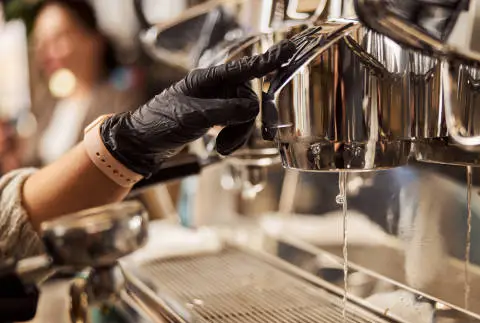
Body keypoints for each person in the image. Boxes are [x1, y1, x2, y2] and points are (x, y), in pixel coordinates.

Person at [0, 39, 296, 261]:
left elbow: (8, 223)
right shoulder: (50, 105)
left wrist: (128, 142)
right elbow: (10, 231)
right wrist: (129, 142)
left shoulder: (111, 93)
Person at [21, 0, 143, 167]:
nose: (46, 53)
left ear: (93, 40)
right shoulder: (48, 103)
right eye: (41, 43)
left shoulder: (121, 101)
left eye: (58, 39)